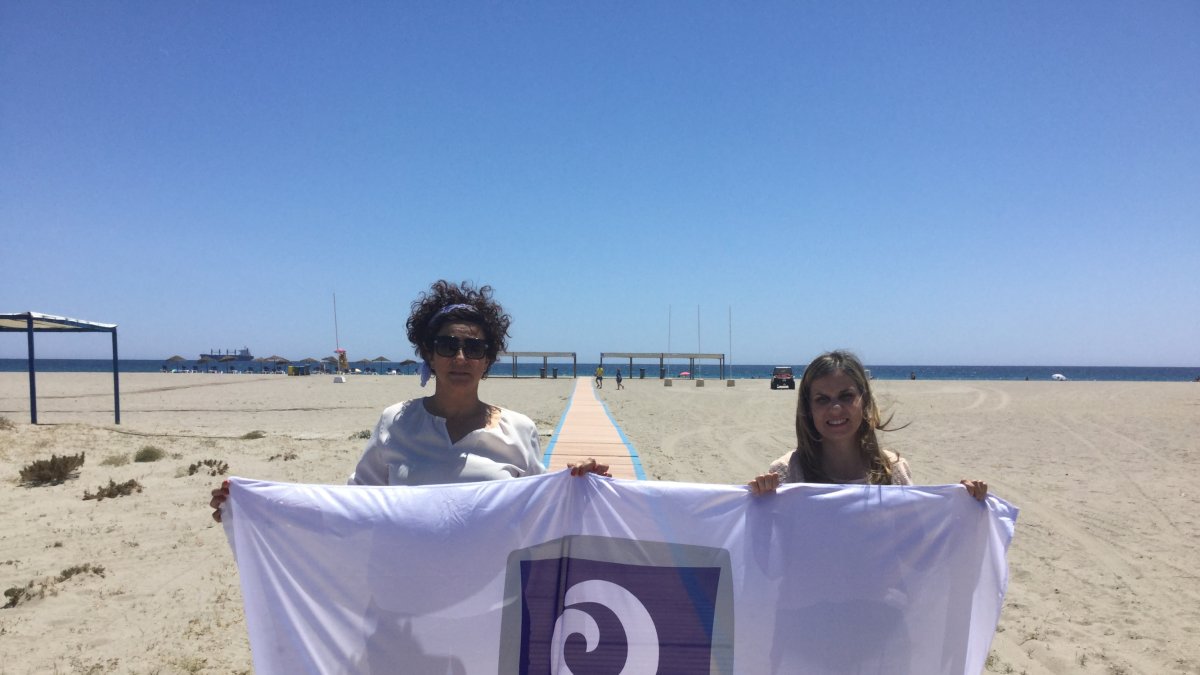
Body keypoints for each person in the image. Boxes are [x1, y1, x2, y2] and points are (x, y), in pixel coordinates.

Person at [211, 280, 609, 522]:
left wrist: (587, 485)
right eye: (447, 344)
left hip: (491, 599)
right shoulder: (395, 422)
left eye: (474, 347)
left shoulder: (518, 430)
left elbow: (546, 511)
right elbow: (350, 507)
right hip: (403, 598)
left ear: (488, 359)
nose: (459, 357)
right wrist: (254, 506)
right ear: (428, 354)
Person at [747, 350, 987, 500]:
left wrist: (962, 503)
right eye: (822, 399)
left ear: (864, 401)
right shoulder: (788, 473)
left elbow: (917, 543)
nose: (836, 408)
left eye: (846, 396)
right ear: (808, 410)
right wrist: (760, 499)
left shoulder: (894, 470)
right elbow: (767, 551)